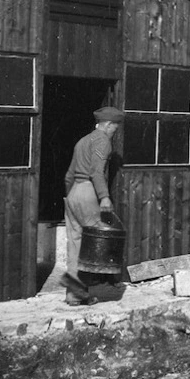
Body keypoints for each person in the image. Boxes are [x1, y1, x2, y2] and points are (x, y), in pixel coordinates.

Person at [61, 106, 124, 306]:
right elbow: (97, 172)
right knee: (95, 245)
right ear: (107, 124)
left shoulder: (82, 141)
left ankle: (73, 294)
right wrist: (104, 197)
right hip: (88, 192)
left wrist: (71, 196)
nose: (115, 130)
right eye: (115, 126)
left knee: (75, 245)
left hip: (73, 193)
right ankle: (88, 291)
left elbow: (69, 175)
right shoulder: (102, 140)